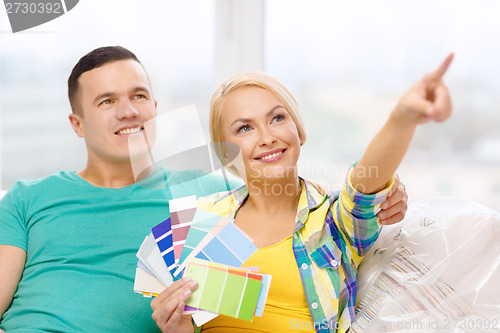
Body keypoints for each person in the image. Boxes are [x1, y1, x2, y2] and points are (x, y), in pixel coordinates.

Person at [0, 46, 408, 332]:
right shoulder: (25, 199)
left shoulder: (200, 199)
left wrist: (382, 188)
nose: (128, 110)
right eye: (107, 101)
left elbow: (289, 189)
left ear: (154, 108)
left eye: (138, 95)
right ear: (77, 124)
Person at [150, 54, 453, 333]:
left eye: (277, 118)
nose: (267, 137)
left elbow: (365, 183)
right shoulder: (200, 220)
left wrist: (403, 117)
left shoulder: (333, 223)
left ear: (299, 130)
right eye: (245, 128)